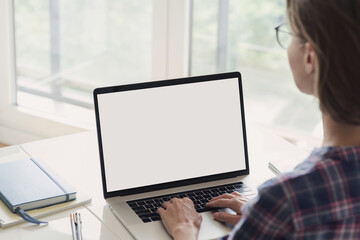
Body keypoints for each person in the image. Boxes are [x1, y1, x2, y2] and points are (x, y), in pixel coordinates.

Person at [156, 0, 360, 239]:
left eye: (291, 33)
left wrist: (185, 230)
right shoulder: (283, 207)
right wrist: (262, 222)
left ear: (310, 58)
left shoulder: (286, 199)